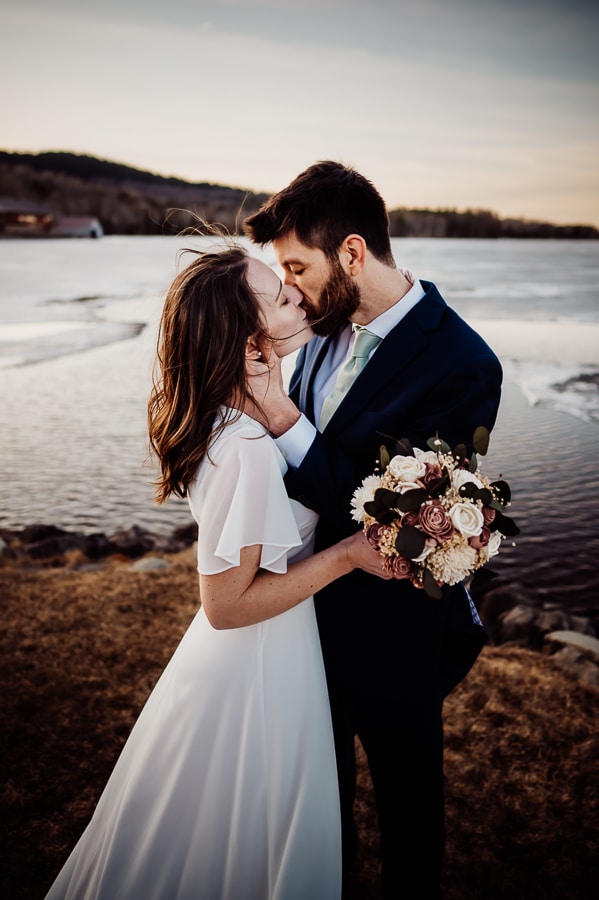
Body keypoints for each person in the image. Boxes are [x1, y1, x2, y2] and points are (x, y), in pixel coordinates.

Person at [44, 242, 390, 900]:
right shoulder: (246, 448)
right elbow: (225, 606)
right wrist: (347, 556)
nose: (296, 295)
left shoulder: (235, 420)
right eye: (278, 295)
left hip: (273, 655)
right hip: (256, 666)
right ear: (244, 337)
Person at [243, 161, 503, 899]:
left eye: (297, 266)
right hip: (296, 619)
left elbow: (395, 522)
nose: (288, 288)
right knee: (315, 813)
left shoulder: (462, 364)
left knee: (408, 818)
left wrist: (283, 420)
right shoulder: (321, 330)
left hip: (393, 634)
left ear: (352, 254)